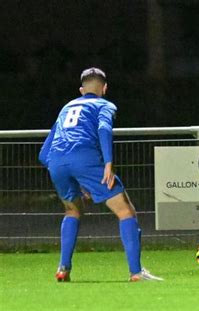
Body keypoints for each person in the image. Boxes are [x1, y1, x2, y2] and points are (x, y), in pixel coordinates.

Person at [39, 67, 162, 282]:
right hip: (85, 158)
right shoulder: (104, 104)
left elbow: (43, 153)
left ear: (81, 89)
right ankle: (136, 272)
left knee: (72, 211)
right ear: (104, 88)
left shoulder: (66, 107)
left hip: (56, 161)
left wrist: (61, 168)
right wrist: (107, 163)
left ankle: (63, 268)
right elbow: (104, 128)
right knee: (126, 212)